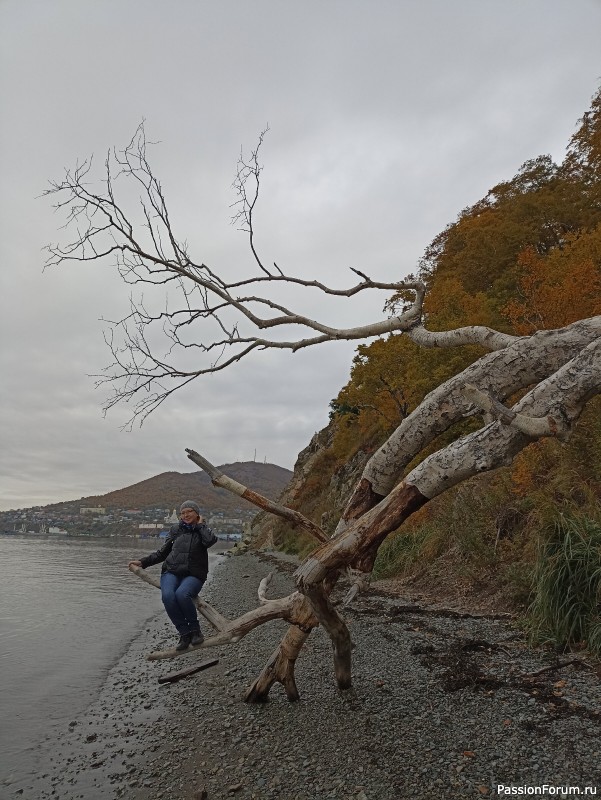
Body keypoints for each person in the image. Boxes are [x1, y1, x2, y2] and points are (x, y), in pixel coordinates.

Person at [129, 501, 217, 651]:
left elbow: (210, 541)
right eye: (182, 513)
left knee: (182, 594)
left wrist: (200, 525)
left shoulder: (203, 530)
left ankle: (195, 631)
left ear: (197, 513)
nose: (185, 515)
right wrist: (143, 562)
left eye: (189, 511)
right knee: (168, 596)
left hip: (194, 573)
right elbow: (162, 553)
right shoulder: (175, 529)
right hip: (171, 571)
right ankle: (184, 633)